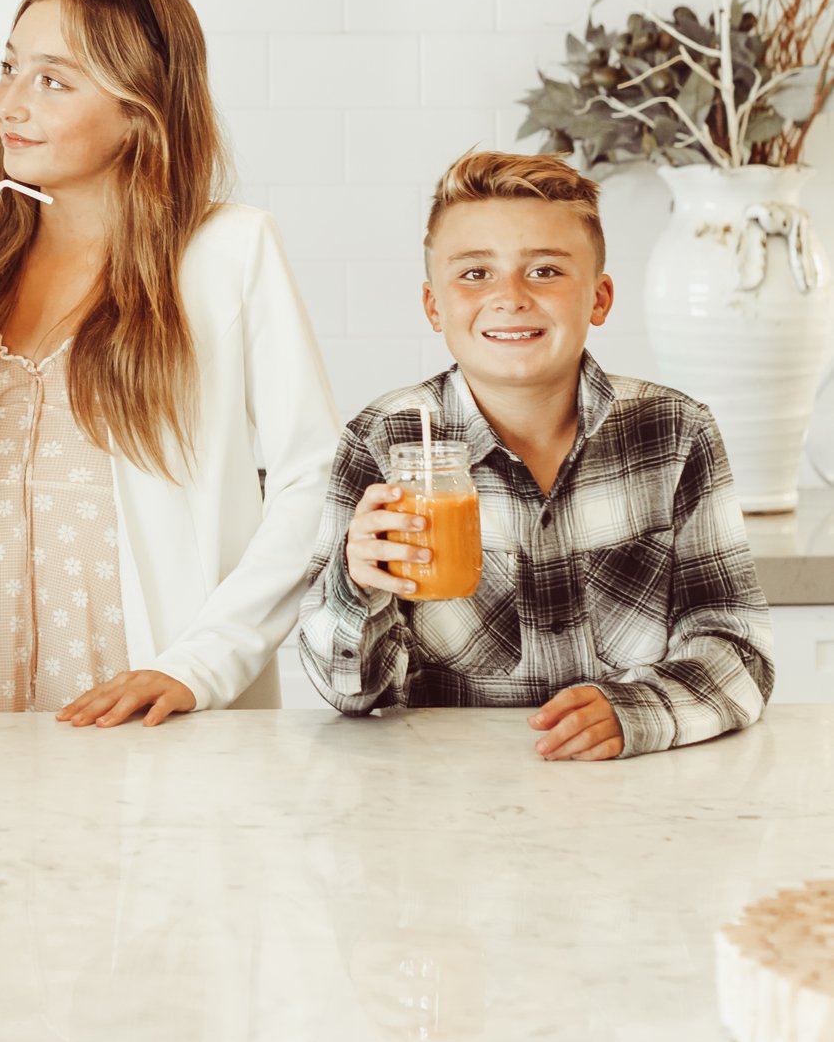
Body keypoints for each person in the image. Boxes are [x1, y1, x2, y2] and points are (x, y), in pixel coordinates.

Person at [0, 0, 340, 722]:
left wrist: (201, 665)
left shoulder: (227, 251)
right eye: (8, 67)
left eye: (52, 80)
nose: (8, 104)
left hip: (149, 690)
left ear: (140, 109)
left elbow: (315, 482)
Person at [298, 147, 774, 759]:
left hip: (638, 791)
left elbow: (737, 646)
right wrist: (357, 584)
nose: (511, 296)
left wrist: (638, 712)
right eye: (475, 274)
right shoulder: (381, 441)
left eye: (546, 270)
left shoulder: (675, 431)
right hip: (447, 798)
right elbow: (349, 694)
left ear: (599, 299)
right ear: (433, 306)